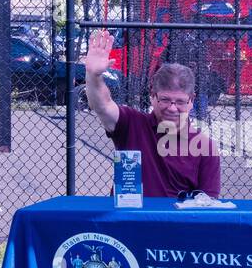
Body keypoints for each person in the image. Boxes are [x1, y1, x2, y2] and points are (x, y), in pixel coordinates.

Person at [85, 29, 220, 198]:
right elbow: (102, 105)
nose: (172, 108)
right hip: (128, 221)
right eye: (165, 99)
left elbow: (208, 207)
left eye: (180, 102)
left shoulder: (205, 147)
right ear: (152, 96)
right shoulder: (131, 124)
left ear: (191, 101)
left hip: (175, 223)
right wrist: (93, 75)